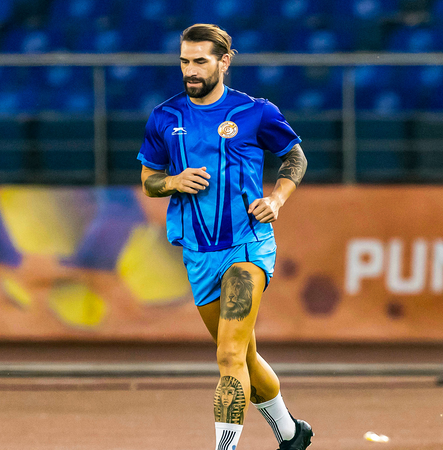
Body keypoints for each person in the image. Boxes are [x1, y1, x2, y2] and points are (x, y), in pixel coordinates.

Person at [138, 24, 313, 450]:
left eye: (200, 61)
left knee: (228, 355)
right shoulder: (164, 117)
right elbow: (148, 179)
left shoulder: (255, 112)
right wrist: (173, 181)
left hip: (247, 245)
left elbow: (294, 156)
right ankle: (291, 433)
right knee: (243, 355)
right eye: (185, 61)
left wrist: (277, 199)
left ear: (224, 62)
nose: (190, 70)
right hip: (198, 253)